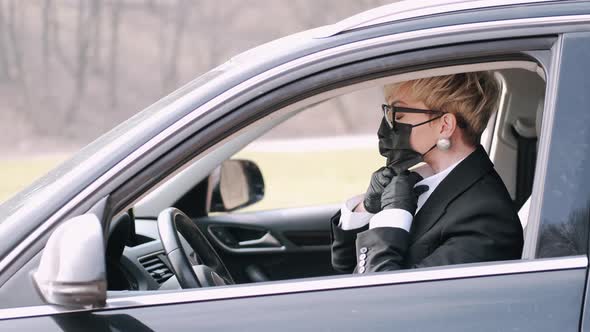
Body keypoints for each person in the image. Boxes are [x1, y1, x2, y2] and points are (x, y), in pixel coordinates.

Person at [331, 72, 523, 274]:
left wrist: (392, 218)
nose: (384, 129)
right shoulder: (417, 180)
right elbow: (346, 266)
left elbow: (386, 298)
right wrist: (366, 208)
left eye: (398, 115)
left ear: (445, 125)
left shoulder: (486, 221)